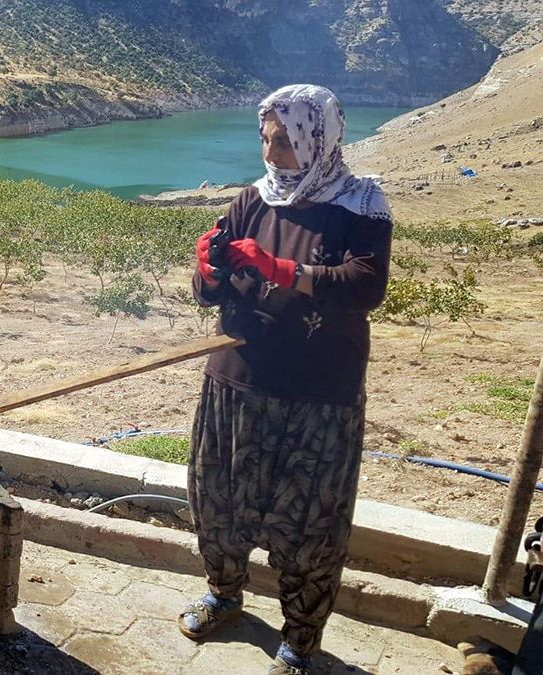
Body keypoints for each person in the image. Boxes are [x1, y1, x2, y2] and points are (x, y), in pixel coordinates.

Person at [181, 85, 393, 674]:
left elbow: (365, 285)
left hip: (317, 396)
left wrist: (285, 271)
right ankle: (223, 594)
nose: (273, 154)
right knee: (219, 501)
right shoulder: (253, 199)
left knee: (309, 524)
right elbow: (211, 290)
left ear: (317, 139)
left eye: (285, 141)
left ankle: (300, 639)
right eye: (266, 140)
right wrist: (206, 273)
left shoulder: (360, 203)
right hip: (236, 382)